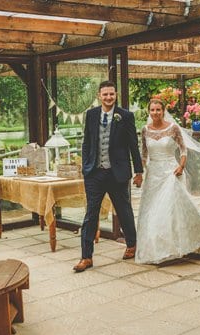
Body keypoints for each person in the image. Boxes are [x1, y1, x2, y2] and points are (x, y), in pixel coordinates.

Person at [73, 80, 144, 273]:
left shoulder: (125, 116)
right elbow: (87, 143)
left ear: (116, 95)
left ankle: (132, 244)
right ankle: (86, 257)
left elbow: (133, 145)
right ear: (99, 96)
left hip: (117, 172)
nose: (108, 97)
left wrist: (138, 171)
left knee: (124, 210)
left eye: (111, 94)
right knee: (91, 215)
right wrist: (85, 167)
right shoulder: (91, 115)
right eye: (105, 94)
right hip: (94, 173)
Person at [135, 99, 200, 264]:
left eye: (158, 110)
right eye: (152, 110)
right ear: (149, 112)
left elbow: (183, 150)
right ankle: (156, 248)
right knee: (152, 211)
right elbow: (144, 154)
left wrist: (181, 166)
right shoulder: (145, 130)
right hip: (153, 175)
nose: (155, 113)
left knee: (167, 210)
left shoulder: (173, 128)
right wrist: (140, 172)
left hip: (171, 173)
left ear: (163, 111)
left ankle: (173, 247)